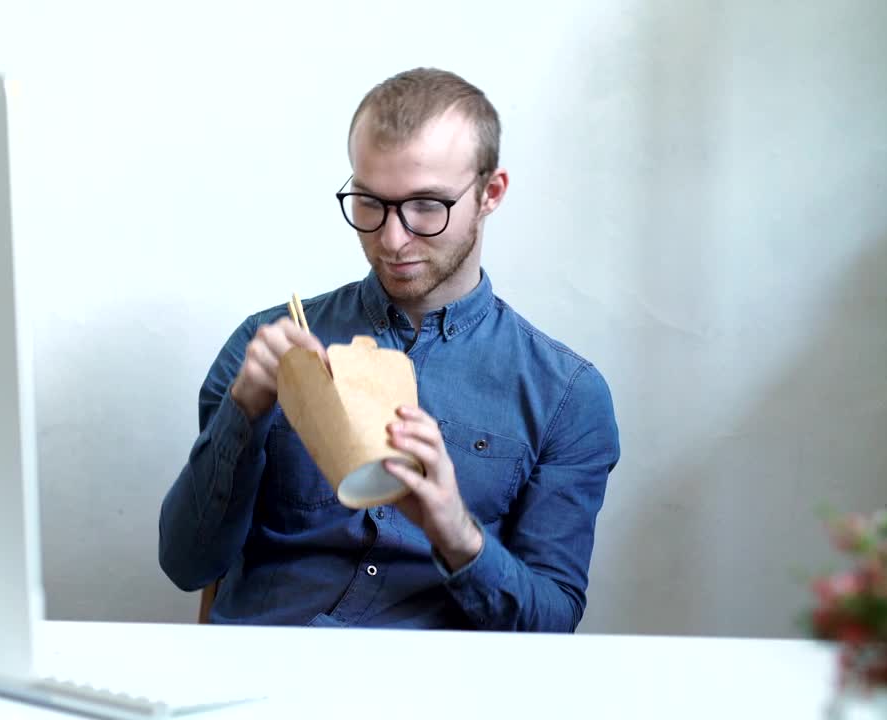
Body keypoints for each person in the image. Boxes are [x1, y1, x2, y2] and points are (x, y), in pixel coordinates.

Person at [158, 67, 621, 631]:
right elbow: (187, 564)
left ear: (489, 193)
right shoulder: (267, 345)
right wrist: (243, 416)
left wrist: (455, 531)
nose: (392, 239)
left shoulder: (566, 397)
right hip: (261, 682)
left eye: (427, 205)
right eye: (370, 202)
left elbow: (550, 625)